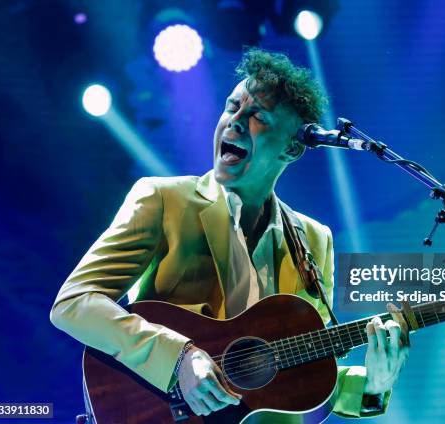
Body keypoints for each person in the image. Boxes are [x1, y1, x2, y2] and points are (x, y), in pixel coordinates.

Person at [50, 48, 409, 420]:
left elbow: (300, 377)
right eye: (232, 106)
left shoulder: (314, 240)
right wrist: (179, 357)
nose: (234, 122)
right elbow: (74, 303)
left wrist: (373, 386)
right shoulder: (163, 200)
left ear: (291, 148)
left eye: (257, 117)